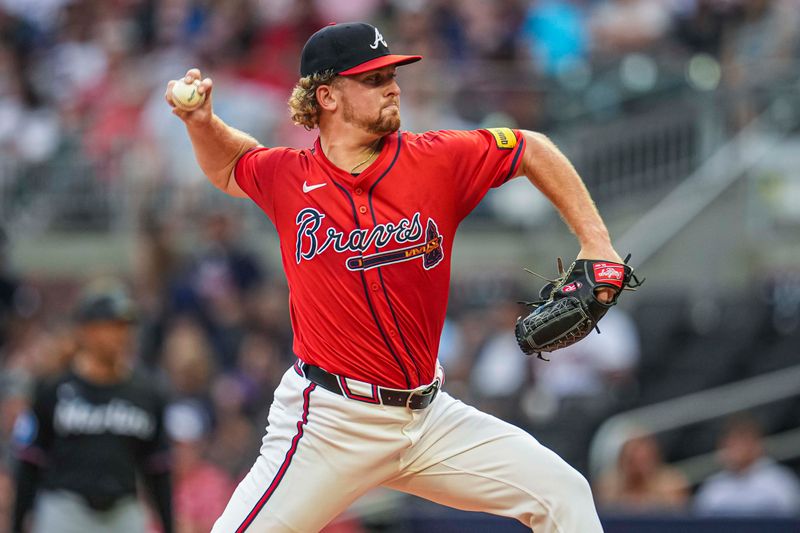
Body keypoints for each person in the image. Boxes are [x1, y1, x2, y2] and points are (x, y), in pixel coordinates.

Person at [166, 21, 625, 533]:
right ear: (328, 95)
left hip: (428, 418)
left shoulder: (436, 159)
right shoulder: (288, 176)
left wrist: (596, 241)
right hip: (331, 423)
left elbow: (531, 149)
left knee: (564, 493)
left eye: (391, 74)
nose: (393, 86)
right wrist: (200, 121)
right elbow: (231, 163)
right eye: (373, 77)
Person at [10, 280, 173, 533]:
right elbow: (30, 463)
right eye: (110, 325)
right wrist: (18, 524)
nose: (120, 334)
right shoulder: (52, 390)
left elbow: (158, 469)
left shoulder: (147, 393)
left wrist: (169, 526)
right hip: (64, 508)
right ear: (85, 330)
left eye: (124, 326)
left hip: (123, 510)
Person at [694, 414, 800, 517]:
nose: (736, 449)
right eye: (731, 443)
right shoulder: (713, 486)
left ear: (757, 444)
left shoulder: (780, 482)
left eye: (743, 441)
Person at [594, 433, 689, 514]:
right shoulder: (608, 486)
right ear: (622, 461)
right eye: (632, 460)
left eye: (643, 460)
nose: (637, 466)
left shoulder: (672, 484)